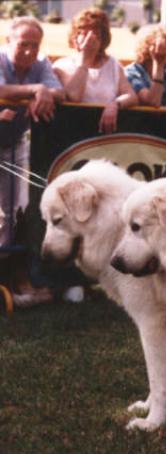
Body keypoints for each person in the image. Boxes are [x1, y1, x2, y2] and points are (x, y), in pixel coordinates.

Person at [0, 16, 64, 305]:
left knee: (16, 215)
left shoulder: (41, 64)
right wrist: (36, 90)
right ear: (8, 42)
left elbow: (60, 91)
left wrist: (46, 89)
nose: (28, 51)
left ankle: (14, 280)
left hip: (12, 146)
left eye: (34, 45)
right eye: (23, 44)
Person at [53, 8, 138, 134]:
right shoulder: (62, 65)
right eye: (84, 33)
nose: (90, 38)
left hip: (105, 133)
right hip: (72, 133)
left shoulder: (114, 65)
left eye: (95, 34)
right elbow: (74, 96)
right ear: (75, 37)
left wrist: (115, 104)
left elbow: (131, 96)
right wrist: (85, 60)